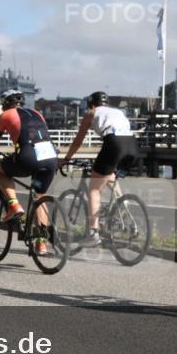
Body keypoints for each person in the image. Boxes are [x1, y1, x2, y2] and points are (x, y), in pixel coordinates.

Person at [0, 89, 57, 254]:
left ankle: (14, 205)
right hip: (50, 158)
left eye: (2, 105)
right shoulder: (37, 113)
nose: (2, 108)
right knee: (39, 196)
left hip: (29, 157)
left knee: (1, 172)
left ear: (6, 103)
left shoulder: (5, 115)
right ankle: (41, 243)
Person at [59, 91, 140, 246]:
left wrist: (66, 159)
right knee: (108, 175)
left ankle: (93, 233)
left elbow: (78, 141)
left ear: (91, 104)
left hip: (114, 144)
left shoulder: (91, 113)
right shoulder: (117, 112)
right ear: (106, 104)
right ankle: (124, 210)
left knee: (94, 190)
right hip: (132, 146)